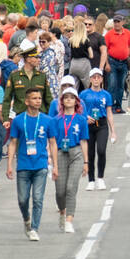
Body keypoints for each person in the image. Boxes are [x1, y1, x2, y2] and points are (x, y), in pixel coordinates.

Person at [6, 87, 59, 241]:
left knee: (37, 198)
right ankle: (26, 219)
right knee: (23, 199)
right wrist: (9, 164)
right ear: (27, 101)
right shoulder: (17, 121)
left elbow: (53, 143)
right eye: (34, 98)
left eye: (39, 98)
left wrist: (55, 166)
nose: (38, 101)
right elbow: (13, 143)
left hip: (41, 165)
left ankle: (34, 228)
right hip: (23, 165)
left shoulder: (48, 120)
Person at [52, 88, 88, 232]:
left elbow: (84, 141)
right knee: (60, 191)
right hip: (60, 152)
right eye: (65, 97)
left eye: (71, 97)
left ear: (76, 101)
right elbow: (53, 141)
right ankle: (62, 211)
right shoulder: (56, 120)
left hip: (76, 153)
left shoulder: (81, 119)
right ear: (61, 101)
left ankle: (69, 220)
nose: (68, 100)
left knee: (71, 187)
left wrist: (86, 162)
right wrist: (52, 161)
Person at [79, 68, 116, 191]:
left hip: (102, 124)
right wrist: (85, 117)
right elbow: (78, 110)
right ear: (90, 79)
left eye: (98, 77)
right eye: (93, 77)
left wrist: (113, 131)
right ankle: (91, 180)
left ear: (101, 79)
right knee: (89, 153)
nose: (96, 79)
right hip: (88, 125)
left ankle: (100, 177)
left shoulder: (106, 95)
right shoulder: (84, 94)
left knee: (101, 150)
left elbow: (109, 112)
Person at [0, 42, 49, 128]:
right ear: (28, 59)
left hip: (39, 118)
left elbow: (48, 98)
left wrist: (49, 117)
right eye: (36, 57)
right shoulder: (15, 75)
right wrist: (6, 118)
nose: (39, 60)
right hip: (21, 118)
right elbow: (7, 98)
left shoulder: (42, 76)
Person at [104, 16, 130, 114]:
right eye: (115, 22)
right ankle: (109, 106)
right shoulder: (108, 34)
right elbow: (105, 50)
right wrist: (106, 64)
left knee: (121, 85)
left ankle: (118, 106)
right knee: (112, 85)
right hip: (112, 62)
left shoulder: (127, 33)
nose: (116, 23)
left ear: (122, 22)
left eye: (118, 21)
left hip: (124, 62)